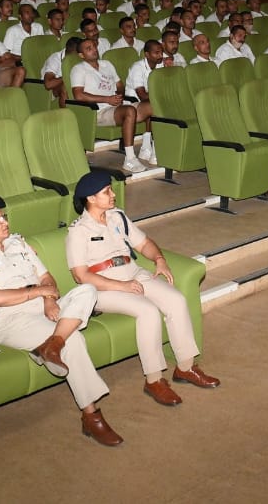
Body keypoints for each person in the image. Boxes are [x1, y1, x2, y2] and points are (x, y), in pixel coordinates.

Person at [0, 201, 120, 446]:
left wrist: (48, 299)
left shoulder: (18, 243)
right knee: (74, 339)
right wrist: (39, 292)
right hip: (8, 319)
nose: (5, 222)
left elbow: (47, 278)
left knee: (87, 290)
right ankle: (91, 416)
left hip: (42, 308)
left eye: (4, 216)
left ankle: (51, 345)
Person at [66, 171, 219, 406]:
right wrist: (122, 286)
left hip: (133, 272)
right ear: (91, 198)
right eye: (106, 191)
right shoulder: (78, 231)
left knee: (176, 300)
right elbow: (81, 275)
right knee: (147, 311)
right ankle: (154, 380)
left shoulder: (117, 217)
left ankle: (185, 367)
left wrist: (159, 259)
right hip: (103, 288)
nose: (113, 194)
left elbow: (144, 243)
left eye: (111, 189)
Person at [70, 38, 150, 173]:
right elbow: (78, 95)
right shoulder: (78, 69)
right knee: (129, 111)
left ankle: (146, 148)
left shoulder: (107, 64)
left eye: (94, 46)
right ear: (81, 55)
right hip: (97, 111)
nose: (94, 50)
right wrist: (107, 99)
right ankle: (130, 159)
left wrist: (119, 96)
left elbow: (120, 85)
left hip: (116, 107)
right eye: (88, 49)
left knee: (151, 105)